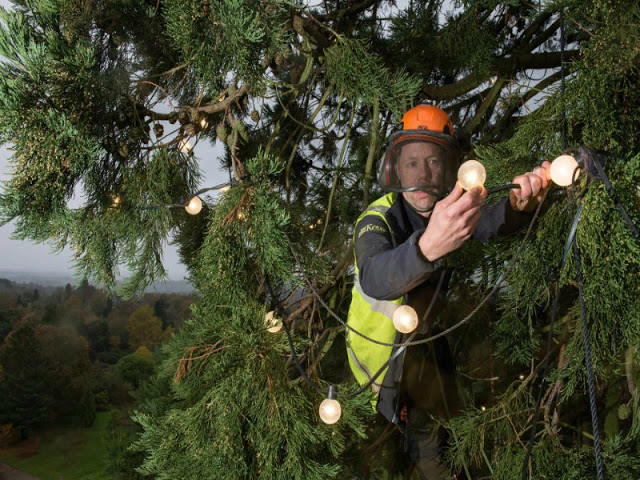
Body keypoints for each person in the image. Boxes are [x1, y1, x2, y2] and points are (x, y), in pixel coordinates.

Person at [346, 104, 551, 478]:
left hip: (430, 338)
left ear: (449, 168)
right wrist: (427, 247)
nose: (423, 174)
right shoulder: (376, 219)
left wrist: (516, 206)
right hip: (388, 362)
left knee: (454, 422)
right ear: (395, 167)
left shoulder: (446, 207)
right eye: (412, 163)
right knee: (422, 441)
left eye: (434, 163)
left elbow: (486, 221)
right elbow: (374, 275)